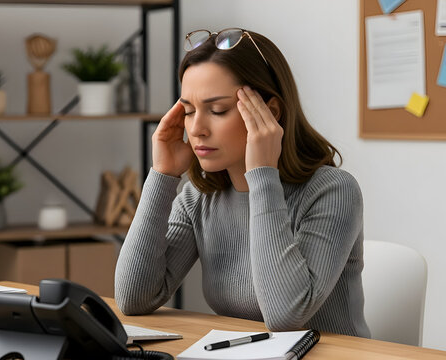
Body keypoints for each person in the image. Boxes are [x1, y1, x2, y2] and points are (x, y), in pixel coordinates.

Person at [114, 28, 370, 338]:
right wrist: (162, 176)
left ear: (269, 113)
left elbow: (285, 314)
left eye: (218, 110)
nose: (196, 129)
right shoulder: (199, 197)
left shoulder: (333, 191)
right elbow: (133, 298)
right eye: (189, 111)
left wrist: (263, 173)